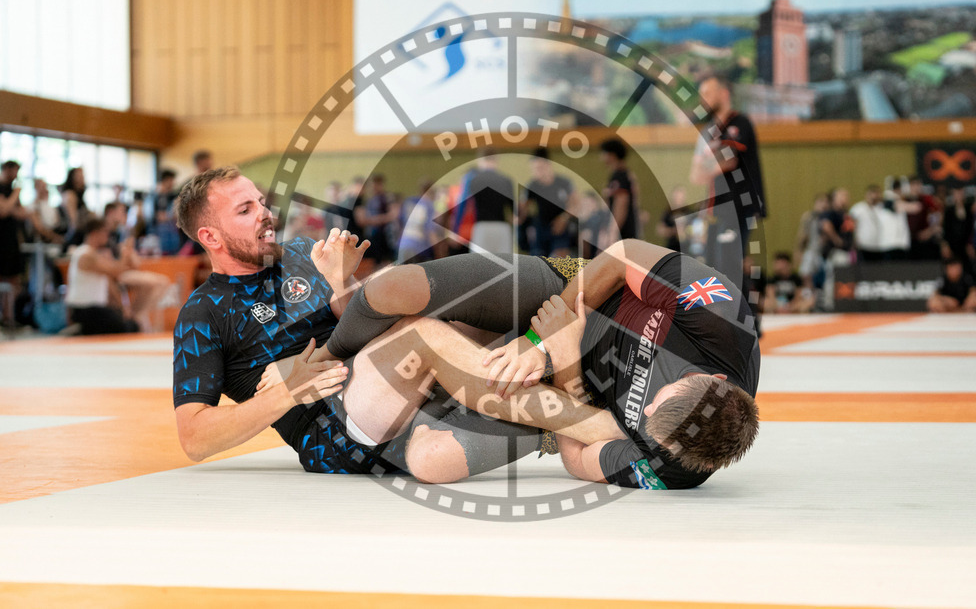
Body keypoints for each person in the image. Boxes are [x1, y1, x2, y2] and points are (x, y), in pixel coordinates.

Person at [171, 167, 613, 480]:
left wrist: (341, 281)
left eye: (262, 202)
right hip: (332, 431)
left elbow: (360, 325)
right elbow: (194, 437)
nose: (266, 214)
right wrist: (289, 391)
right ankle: (599, 426)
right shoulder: (204, 313)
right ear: (210, 237)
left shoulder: (305, 253)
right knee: (418, 337)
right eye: (246, 210)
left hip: (393, 385)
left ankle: (588, 321)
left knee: (432, 455)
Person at [307, 237, 760, 489]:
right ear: (712, 377)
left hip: (574, 393)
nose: (641, 414)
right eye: (657, 402)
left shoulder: (676, 465)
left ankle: (443, 353)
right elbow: (622, 256)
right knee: (390, 290)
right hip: (570, 299)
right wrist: (538, 340)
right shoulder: (721, 323)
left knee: (429, 461)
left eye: (648, 424)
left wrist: (565, 366)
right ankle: (324, 356)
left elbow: (579, 461)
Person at [689, 75, 767, 286]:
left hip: (739, 205)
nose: (702, 98)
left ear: (724, 94)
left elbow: (728, 161)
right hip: (717, 209)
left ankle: (746, 317)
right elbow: (695, 175)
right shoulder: (707, 131)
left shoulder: (739, 122)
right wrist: (710, 165)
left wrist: (709, 164)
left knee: (730, 261)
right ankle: (726, 315)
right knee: (714, 263)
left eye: (707, 93)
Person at [65, 217, 163, 334]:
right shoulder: (86, 255)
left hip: (92, 308)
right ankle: (80, 331)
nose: (108, 236)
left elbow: (115, 273)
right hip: (86, 309)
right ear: (95, 233)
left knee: (128, 322)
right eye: (105, 232)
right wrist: (124, 254)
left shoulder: (91, 254)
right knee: (129, 327)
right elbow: (116, 271)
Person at [521, 147, 575, 257]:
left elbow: (576, 204)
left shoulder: (563, 182)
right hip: (541, 228)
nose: (537, 172)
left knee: (559, 261)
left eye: (540, 168)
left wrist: (563, 218)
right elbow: (522, 209)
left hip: (560, 228)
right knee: (539, 261)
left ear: (548, 165)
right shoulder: (532, 185)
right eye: (534, 169)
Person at [463, 148, 515, 254]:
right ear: (496, 160)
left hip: (482, 227)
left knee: (479, 266)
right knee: (505, 265)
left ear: (480, 160)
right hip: (502, 228)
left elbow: (462, 205)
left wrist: (455, 230)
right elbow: (514, 211)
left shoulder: (473, 179)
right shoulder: (506, 180)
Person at [0, 161, 26, 327]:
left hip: (12, 241)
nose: (15, 174)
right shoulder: (4, 188)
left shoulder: (10, 191)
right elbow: (3, 211)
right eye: (13, 170)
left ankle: (9, 318)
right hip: (1, 241)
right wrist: (16, 194)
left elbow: (22, 213)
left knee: (13, 281)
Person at [354, 173, 398, 267]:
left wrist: (372, 220)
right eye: (372, 185)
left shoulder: (387, 197)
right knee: (375, 262)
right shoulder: (368, 199)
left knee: (387, 261)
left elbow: (393, 215)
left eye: (377, 184)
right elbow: (362, 220)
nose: (374, 187)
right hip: (372, 236)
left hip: (386, 235)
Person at [600, 137, 638, 242]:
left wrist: (613, 232)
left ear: (612, 155)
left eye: (604, 153)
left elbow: (621, 204)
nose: (601, 157)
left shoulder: (620, 176)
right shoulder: (625, 174)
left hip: (623, 233)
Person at [848, 184, 888, 262]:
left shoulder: (881, 208)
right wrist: (853, 241)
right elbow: (851, 225)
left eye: (878, 193)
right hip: (863, 246)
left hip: (879, 246)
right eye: (873, 193)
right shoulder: (858, 208)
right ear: (867, 194)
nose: (875, 196)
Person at [58, 167, 89, 248]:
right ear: (73, 178)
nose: (83, 179)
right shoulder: (70, 195)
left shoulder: (78, 195)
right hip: (72, 238)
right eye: (80, 176)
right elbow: (73, 223)